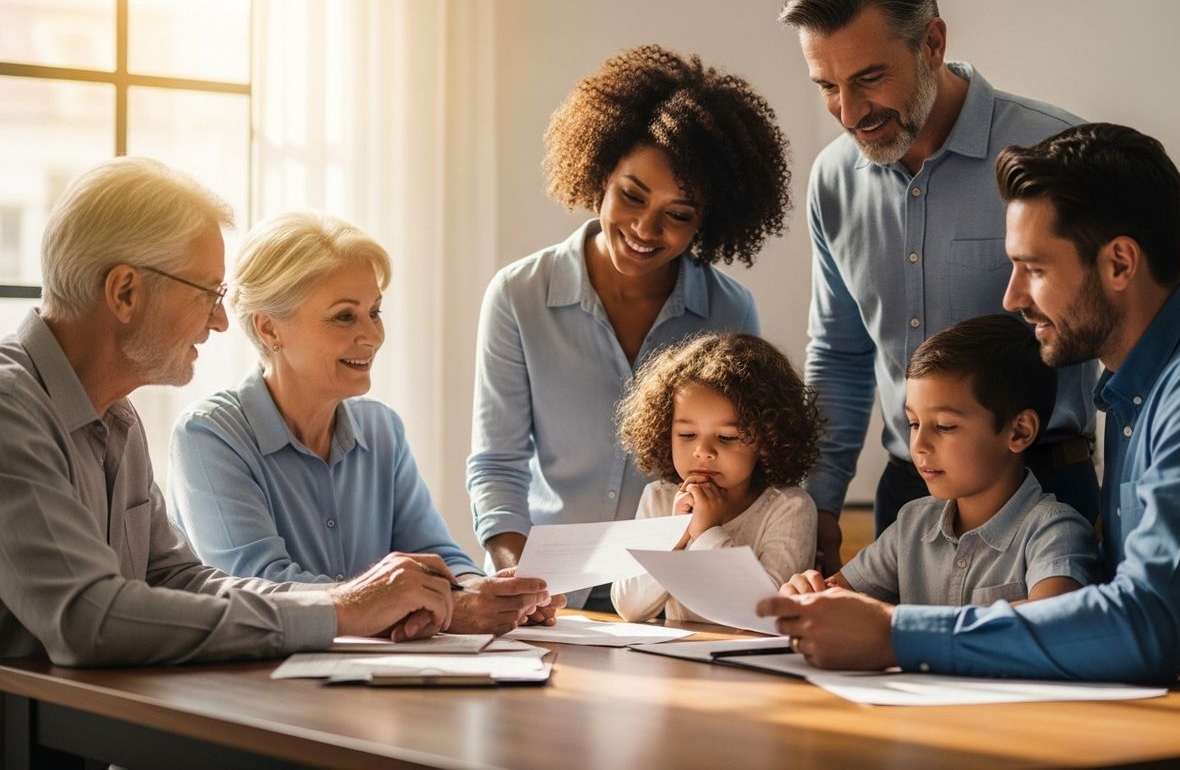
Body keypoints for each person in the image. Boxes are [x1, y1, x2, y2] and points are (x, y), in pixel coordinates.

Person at [759, 123, 1180, 683]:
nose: (1012, 297)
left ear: (1118, 264)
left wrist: (895, 633)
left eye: (1035, 270)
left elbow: (1148, 625)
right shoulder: (1131, 389)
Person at [0, 158, 458, 666]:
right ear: (125, 291)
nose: (220, 321)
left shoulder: (118, 419)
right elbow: (89, 619)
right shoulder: (10, 410)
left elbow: (178, 578)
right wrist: (341, 611)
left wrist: (343, 605)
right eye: (207, 294)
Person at [778, 0, 1099, 574]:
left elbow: (1112, 339)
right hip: (907, 498)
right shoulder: (832, 180)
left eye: (869, 78)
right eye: (827, 86)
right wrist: (818, 499)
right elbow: (840, 356)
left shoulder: (1054, 151)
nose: (849, 112)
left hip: (1049, 495)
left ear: (932, 43)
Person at [466, 44, 793, 611]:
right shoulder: (519, 296)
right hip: (547, 598)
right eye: (632, 196)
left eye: (679, 214)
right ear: (598, 174)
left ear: (710, 220)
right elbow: (497, 465)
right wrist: (514, 573)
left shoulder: (730, 313)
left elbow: (748, 473)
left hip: (669, 603)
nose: (646, 228)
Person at [168, 213, 559, 636]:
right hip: (254, 684)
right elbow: (261, 588)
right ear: (268, 328)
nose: (372, 335)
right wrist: (447, 607)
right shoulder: (208, 435)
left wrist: (493, 594)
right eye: (344, 316)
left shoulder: (381, 429)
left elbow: (437, 553)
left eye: (374, 312)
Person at [784, 315, 1096, 607]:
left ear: (1019, 431)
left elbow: (1049, 626)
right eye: (913, 423)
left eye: (945, 426)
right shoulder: (912, 524)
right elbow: (830, 602)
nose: (918, 445)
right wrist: (806, 595)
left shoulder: (1054, 532)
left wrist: (897, 626)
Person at [611, 333, 819, 622]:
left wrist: (708, 532)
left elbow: (767, 614)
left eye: (726, 437)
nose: (703, 451)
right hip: (673, 662)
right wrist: (675, 537)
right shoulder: (658, 498)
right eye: (687, 435)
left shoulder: (789, 508)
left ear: (767, 438)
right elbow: (629, 607)